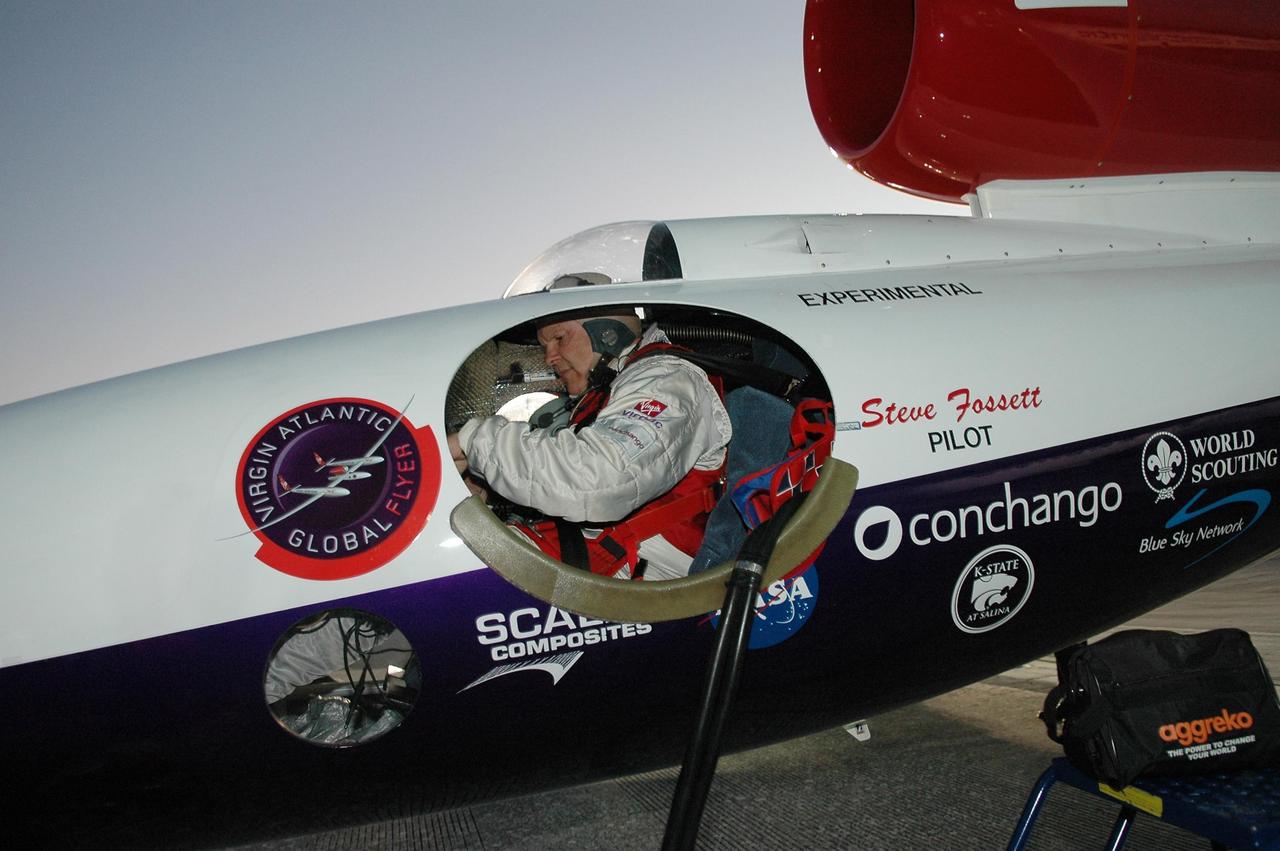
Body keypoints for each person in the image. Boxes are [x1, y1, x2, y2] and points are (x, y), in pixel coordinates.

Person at [449, 306, 732, 580]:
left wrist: (471, 441)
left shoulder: (667, 380)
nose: (550, 357)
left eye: (559, 339)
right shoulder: (611, 388)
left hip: (649, 572)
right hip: (603, 558)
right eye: (545, 346)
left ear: (607, 332)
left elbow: (598, 480)